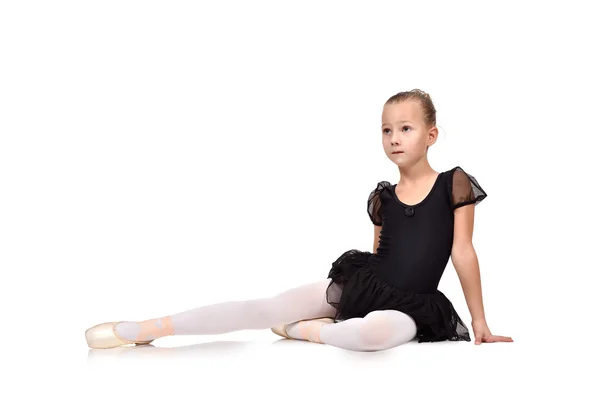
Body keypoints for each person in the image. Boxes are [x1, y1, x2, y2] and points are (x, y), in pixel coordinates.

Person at [85, 89, 513, 351]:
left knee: (371, 337)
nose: (394, 138)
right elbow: (381, 251)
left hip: (413, 304)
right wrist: (349, 295)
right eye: (386, 130)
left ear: (431, 134)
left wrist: (479, 323)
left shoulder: (453, 184)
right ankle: (142, 328)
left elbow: (463, 252)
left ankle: (306, 331)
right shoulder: (382, 196)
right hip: (368, 284)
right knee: (265, 305)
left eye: (406, 128)